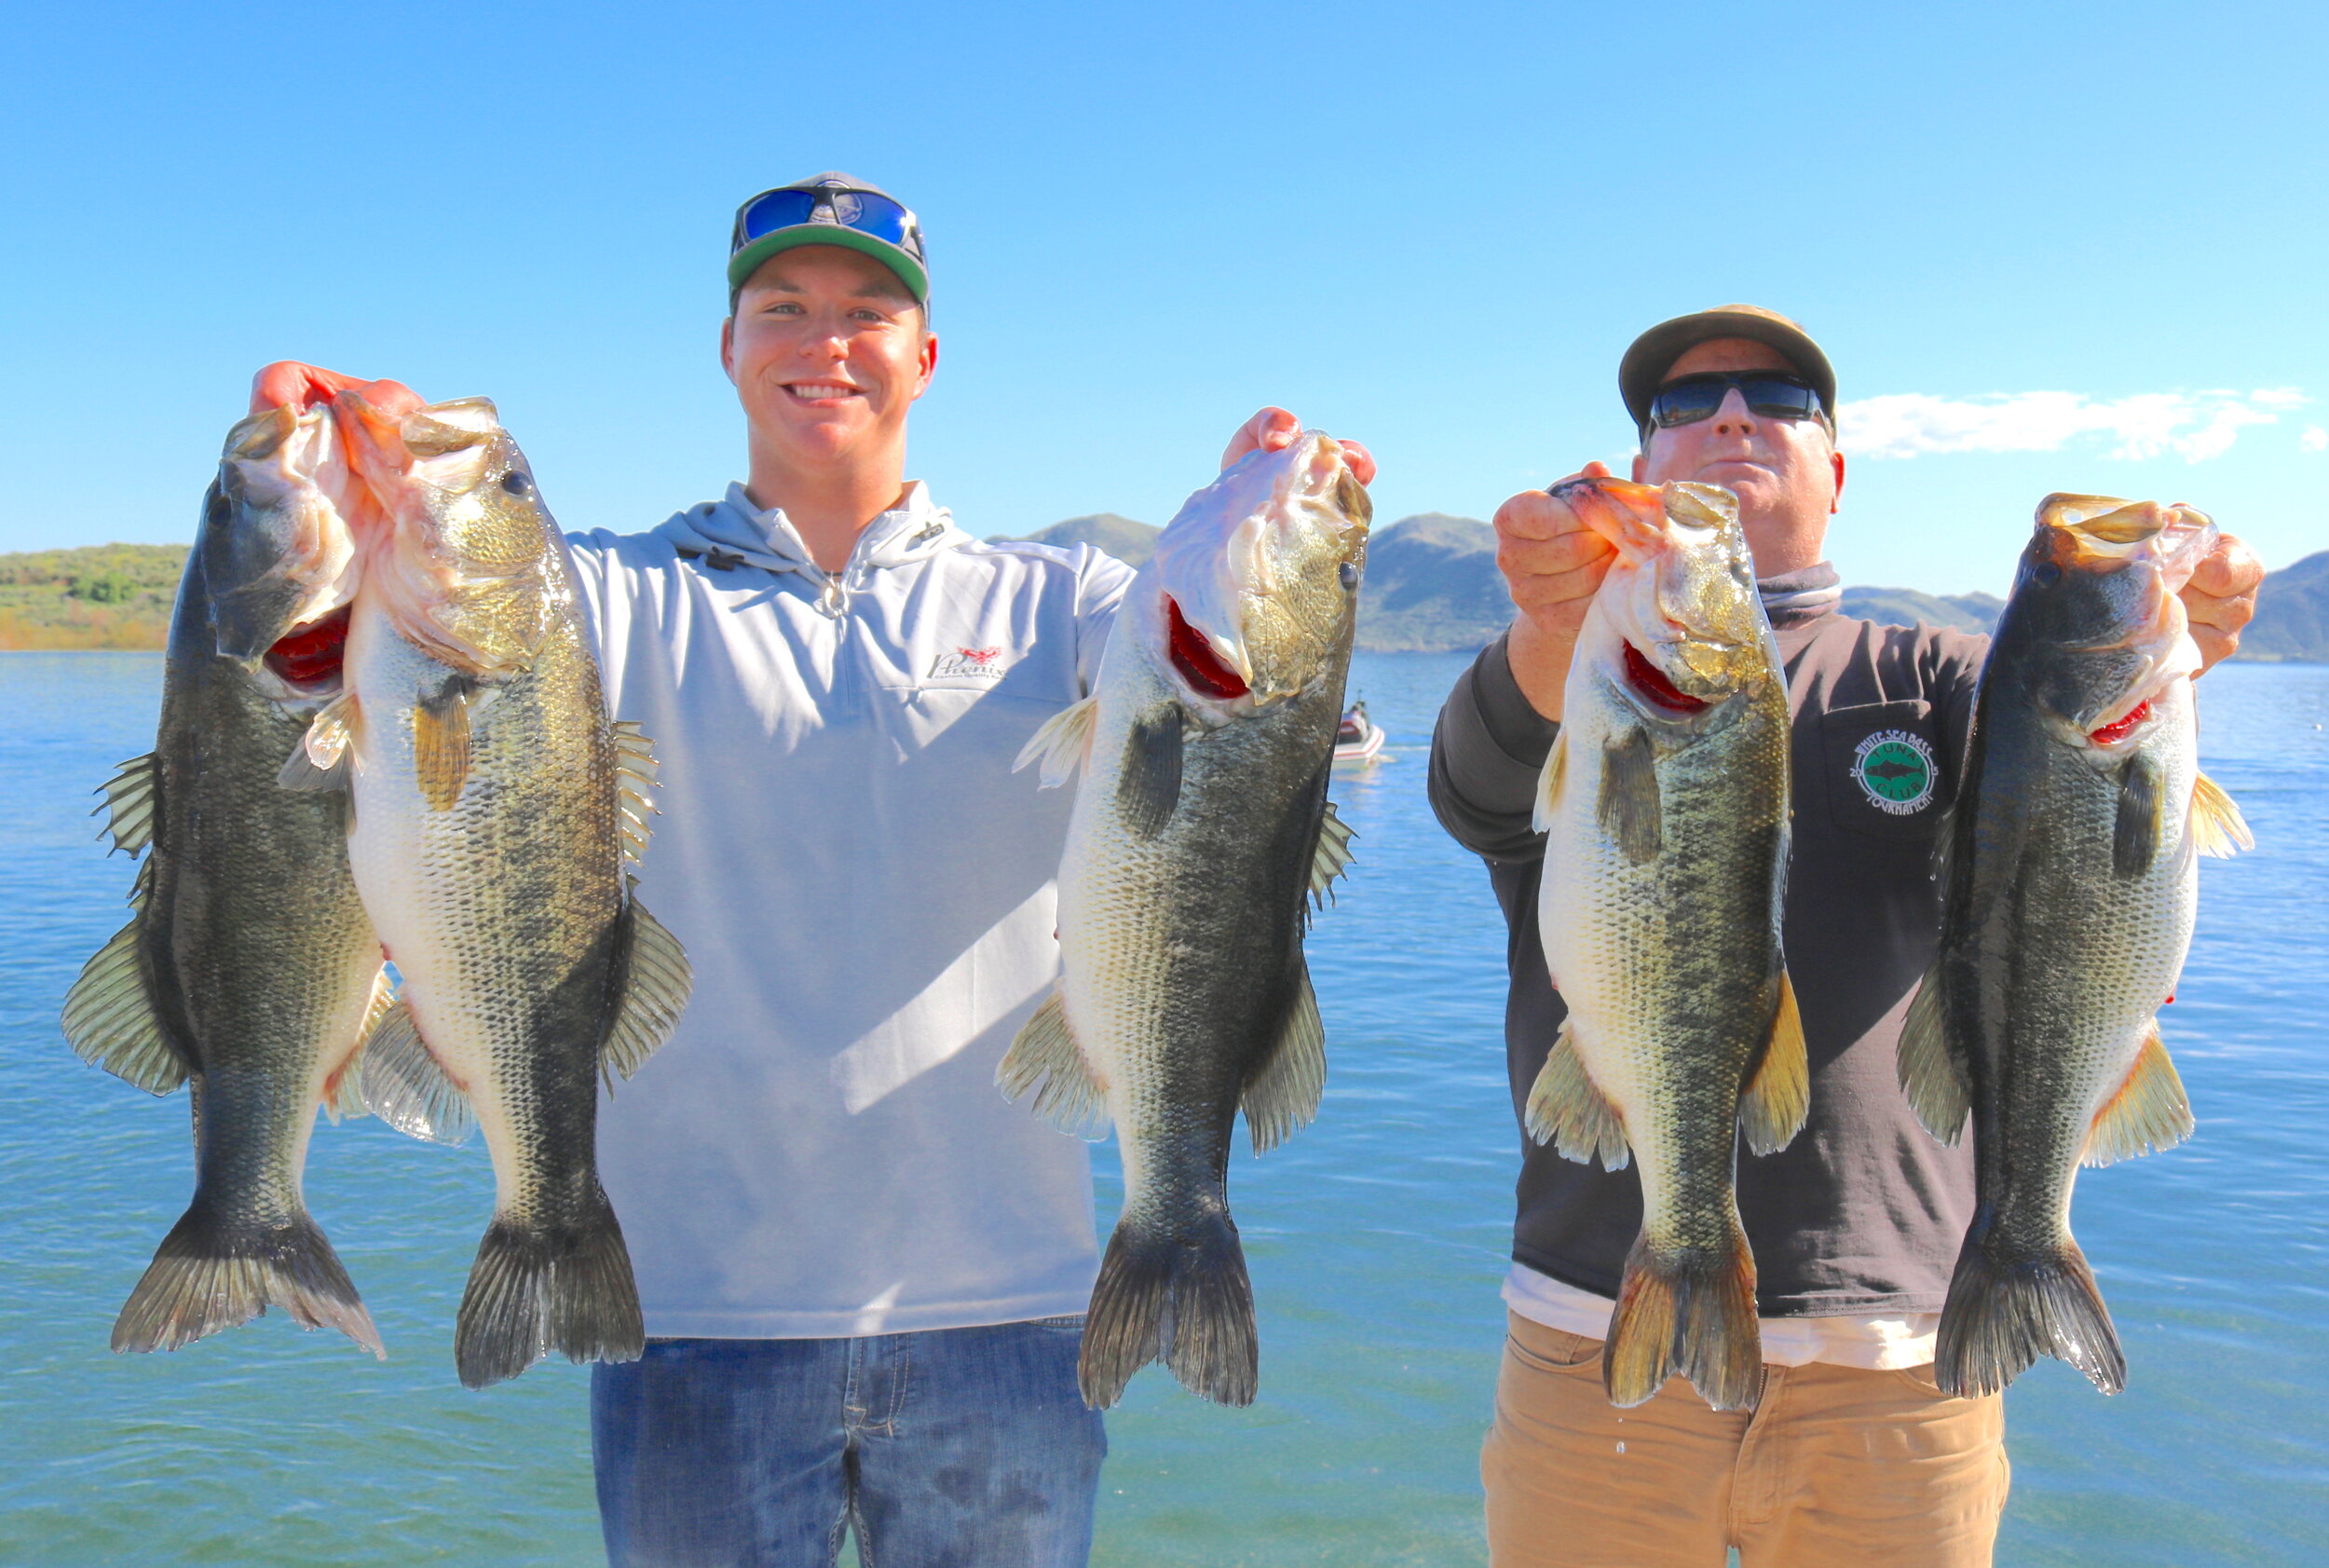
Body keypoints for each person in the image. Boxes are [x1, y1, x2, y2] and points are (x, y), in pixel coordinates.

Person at [252, 172, 1372, 1568]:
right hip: (684, 1312)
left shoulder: (1072, 605)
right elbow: (369, 631)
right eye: (783, 310)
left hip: (1009, 1317)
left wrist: (1262, 519)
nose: (824, 343)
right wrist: (320, 466)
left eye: (867, 313)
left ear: (927, 355)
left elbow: (1240, 748)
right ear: (728, 348)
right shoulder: (597, 596)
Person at [1427, 304, 2262, 1568]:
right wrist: (1551, 637)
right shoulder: (1581, 675)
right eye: (1680, 407)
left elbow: (2075, 818)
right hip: (1595, 1333)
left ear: (1836, 470)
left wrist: (2174, 632)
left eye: (1774, 397)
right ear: (1639, 474)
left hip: (1902, 1360)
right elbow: (1478, 791)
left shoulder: (1941, 673)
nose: (1727, 418)